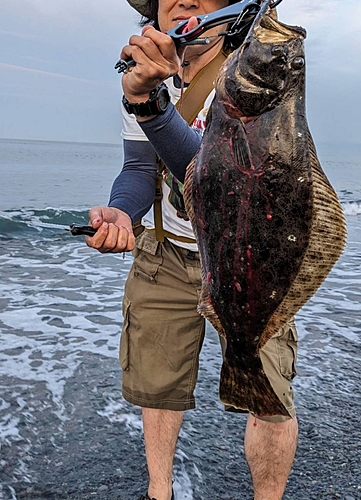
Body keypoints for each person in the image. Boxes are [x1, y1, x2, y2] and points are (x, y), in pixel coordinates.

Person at [86, 1, 299, 499]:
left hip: (252, 256)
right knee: (158, 389)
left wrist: (149, 106)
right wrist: (123, 212)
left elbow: (220, 179)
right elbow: (141, 170)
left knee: (269, 398)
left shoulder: (256, 72)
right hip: (166, 253)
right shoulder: (143, 81)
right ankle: (160, 492)